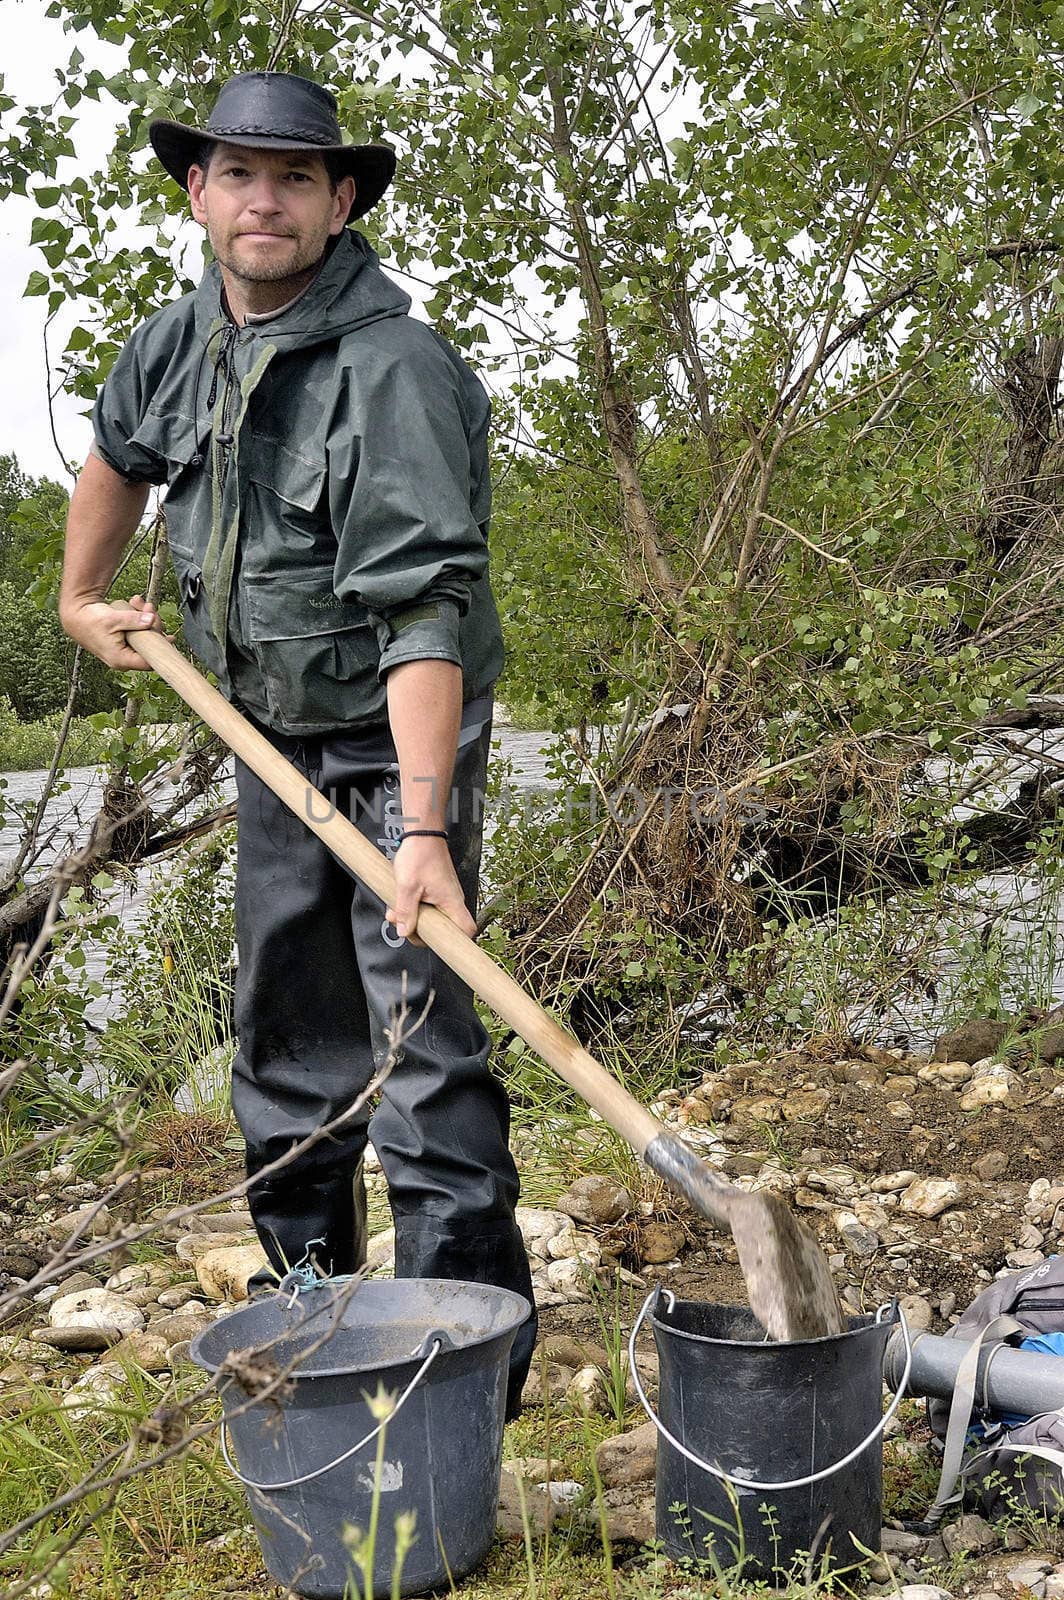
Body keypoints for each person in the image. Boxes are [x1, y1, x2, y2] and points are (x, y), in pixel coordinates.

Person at [59, 69, 536, 1414]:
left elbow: (425, 609)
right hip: (263, 730)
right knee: (285, 1034)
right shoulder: (173, 341)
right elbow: (115, 454)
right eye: (237, 174)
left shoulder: (393, 371)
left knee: (424, 1044)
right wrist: (76, 596)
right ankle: (322, 1338)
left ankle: (464, 1374)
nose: (262, 199)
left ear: (339, 201)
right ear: (199, 194)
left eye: (293, 178)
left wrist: (426, 833)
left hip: (397, 741)